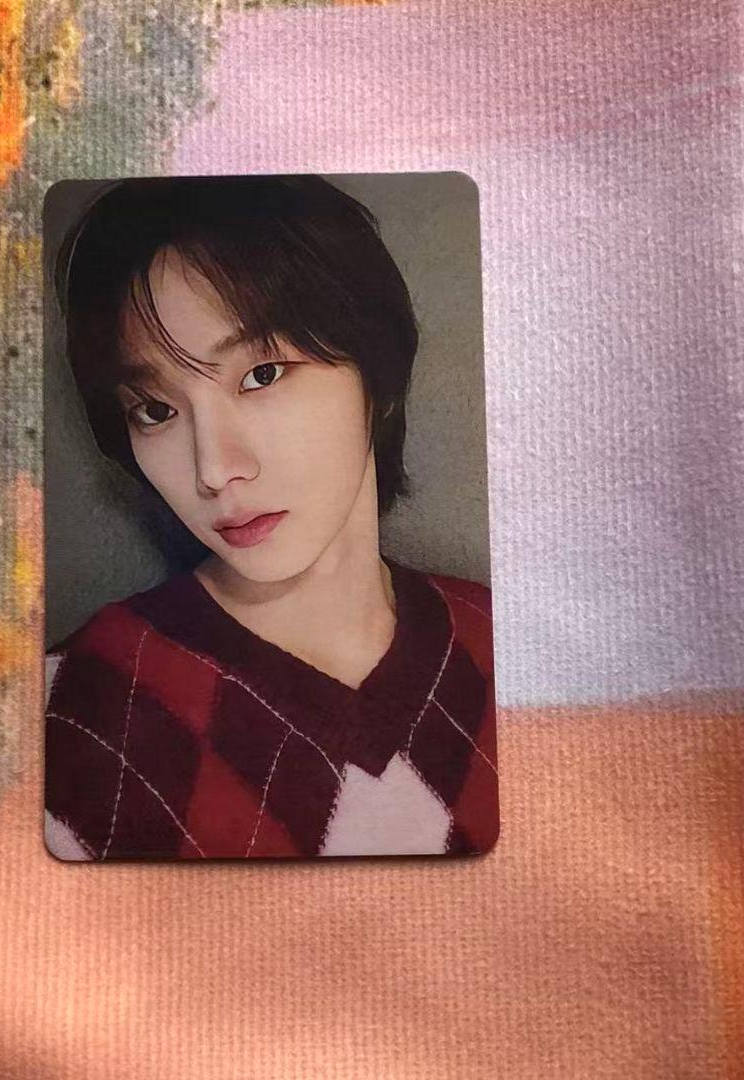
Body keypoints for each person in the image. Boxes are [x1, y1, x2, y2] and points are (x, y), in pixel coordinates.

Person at [44, 175, 497, 860]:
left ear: (376, 377)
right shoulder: (75, 708)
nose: (213, 468)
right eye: (156, 411)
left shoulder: (504, 645)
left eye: (261, 375)